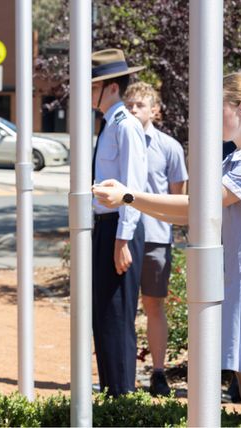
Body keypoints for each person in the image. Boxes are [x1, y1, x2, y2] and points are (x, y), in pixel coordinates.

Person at [93, 72, 241, 426]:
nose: (209, 118)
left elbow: (199, 205)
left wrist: (129, 196)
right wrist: (131, 198)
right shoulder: (239, 158)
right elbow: (191, 211)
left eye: (216, 107)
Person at [123, 82, 188, 396]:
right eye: (129, 105)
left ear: (154, 110)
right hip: (122, 237)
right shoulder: (118, 140)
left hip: (155, 239)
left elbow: (178, 198)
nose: (134, 110)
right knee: (122, 306)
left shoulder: (169, 147)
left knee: (154, 306)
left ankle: (158, 373)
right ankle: (123, 373)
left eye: (140, 105)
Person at [90, 48, 148, 397]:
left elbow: (132, 188)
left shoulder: (126, 126)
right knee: (102, 315)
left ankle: (123, 397)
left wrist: (122, 240)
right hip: (106, 226)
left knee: (116, 316)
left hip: (119, 227)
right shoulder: (110, 124)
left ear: (111, 88)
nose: (88, 93)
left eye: (93, 86)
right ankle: (112, 391)